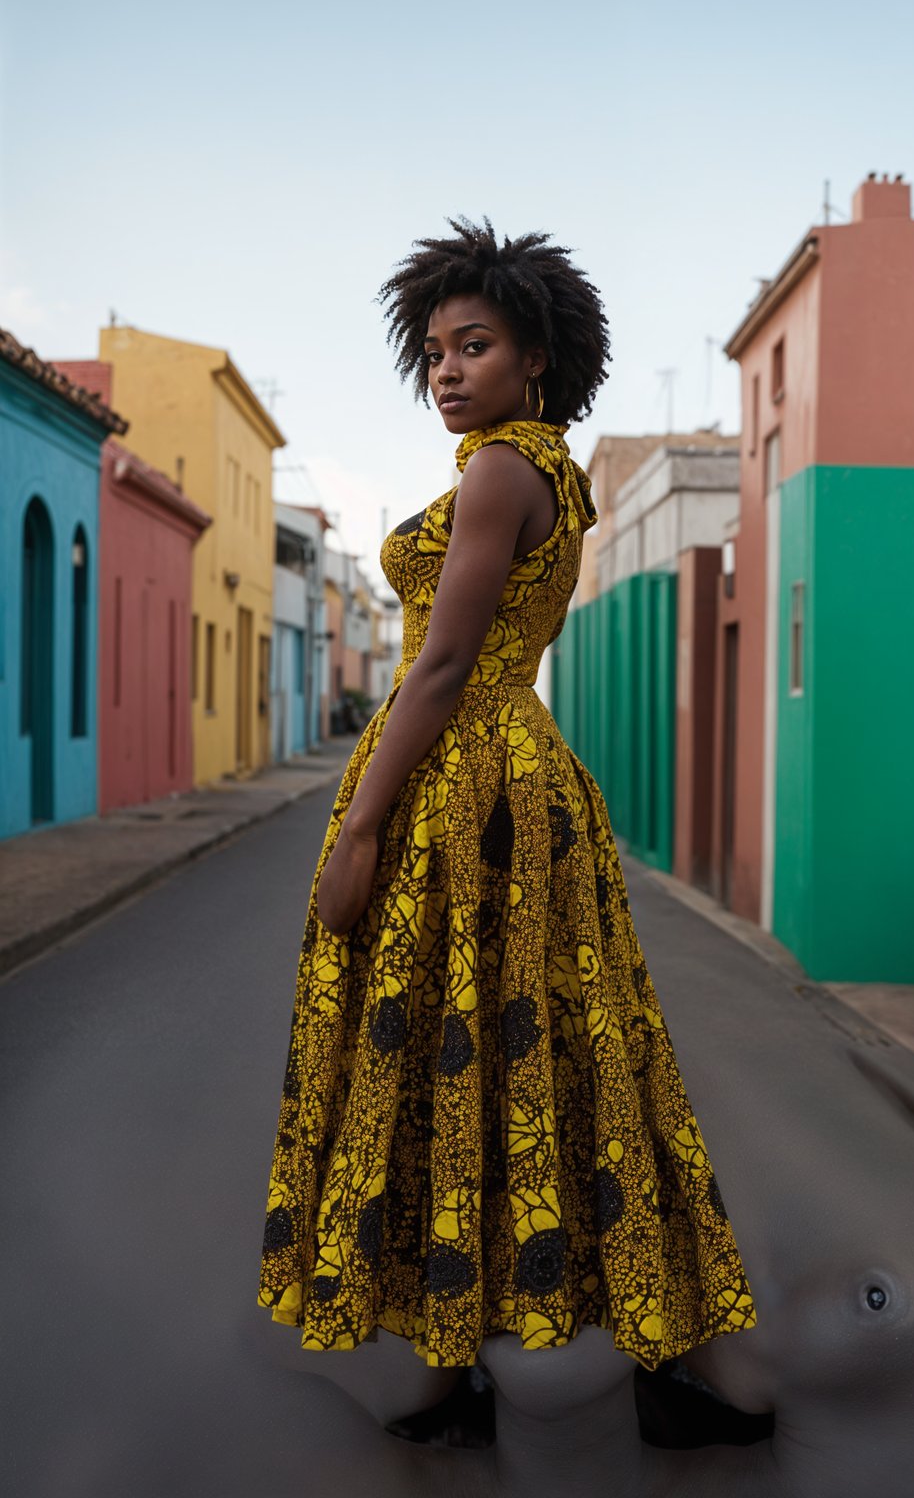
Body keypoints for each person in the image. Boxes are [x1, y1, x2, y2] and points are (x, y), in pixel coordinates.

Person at [257, 217, 757, 1381]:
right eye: (432, 350)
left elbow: (438, 664)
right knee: (536, 1057)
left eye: (471, 345)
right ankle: (625, 1358)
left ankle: (462, 1367)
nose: (444, 370)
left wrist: (365, 827)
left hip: (461, 784)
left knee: (446, 1047)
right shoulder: (554, 474)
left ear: (534, 355)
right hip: (518, 774)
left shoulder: (498, 470)